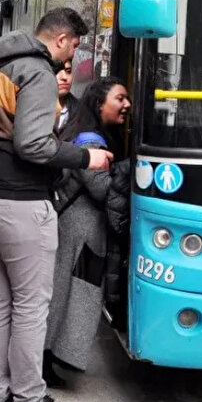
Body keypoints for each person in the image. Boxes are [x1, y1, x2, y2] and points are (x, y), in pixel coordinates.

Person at [0, 7, 111, 402]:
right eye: (75, 46)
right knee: (31, 302)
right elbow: (34, 146)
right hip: (18, 199)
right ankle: (28, 397)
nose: (71, 58)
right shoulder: (38, 72)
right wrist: (87, 157)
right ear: (61, 39)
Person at [43, 77, 132, 384]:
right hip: (78, 230)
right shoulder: (91, 141)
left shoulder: (90, 133)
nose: (127, 105)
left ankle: (52, 358)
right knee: (67, 295)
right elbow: (100, 188)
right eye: (120, 99)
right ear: (99, 104)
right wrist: (126, 170)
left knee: (72, 294)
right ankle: (46, 360)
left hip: (81, 230)